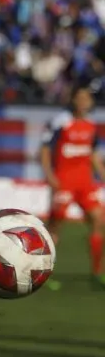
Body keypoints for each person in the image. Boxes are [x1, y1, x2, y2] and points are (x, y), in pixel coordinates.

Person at [40, 85, 105, 289]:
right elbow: (44, 149)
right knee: (55, 226)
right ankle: (42, 273)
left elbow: (92, 154)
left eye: (87, 98)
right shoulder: (60, 122)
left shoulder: (91, 125)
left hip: (85, 183)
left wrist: (102, 172)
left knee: (98, 219)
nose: (84, 102)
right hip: (64, 182)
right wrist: (50, 175)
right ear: (74, 100)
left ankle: (96, 273)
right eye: (81, 97)